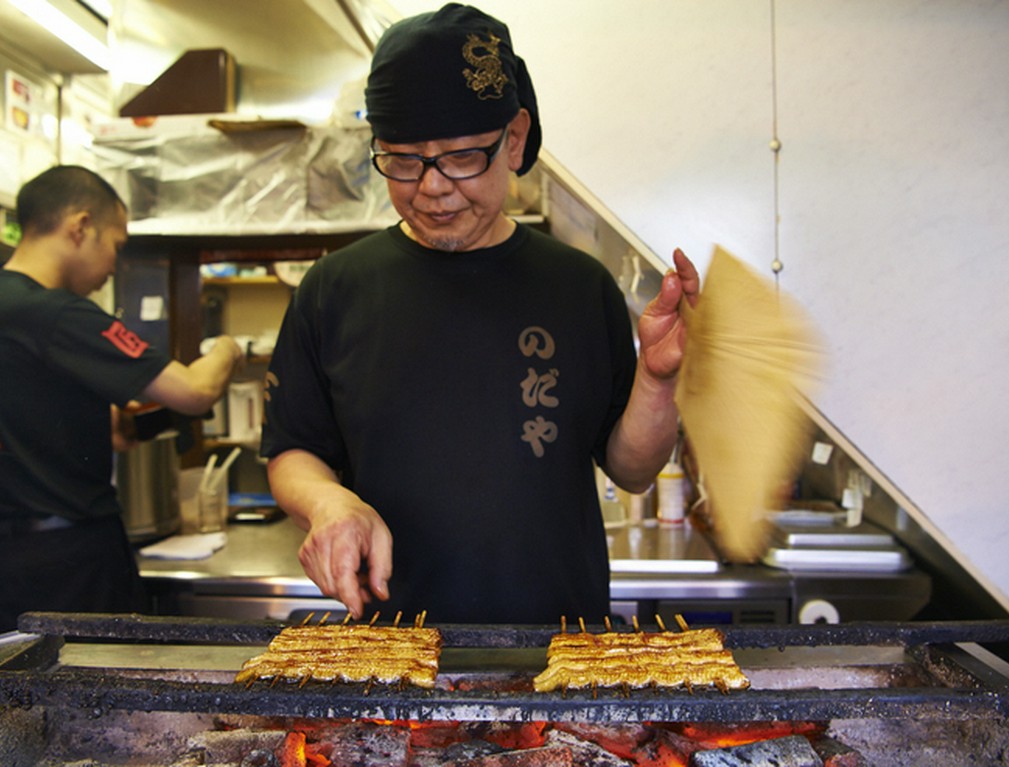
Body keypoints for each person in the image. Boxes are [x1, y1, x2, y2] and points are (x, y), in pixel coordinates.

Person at [261, 3, 700, 624]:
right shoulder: (334, 289)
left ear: (514, 139)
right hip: (395, 661)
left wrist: (658, 381)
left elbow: (631, 470)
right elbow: (292, 451)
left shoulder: (578, 286)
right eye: (404, 160)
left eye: (461, 158)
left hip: (560, 651)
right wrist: (328, 501)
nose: (432, 187)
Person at [0, 165, 243, 632]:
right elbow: (196, 391)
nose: (114, 263)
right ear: (80, 226)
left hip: (11, 560)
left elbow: (113, 429)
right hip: (68, 563)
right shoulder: (58, 314)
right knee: (93, 695)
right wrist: (228, 348)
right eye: (116, 244)